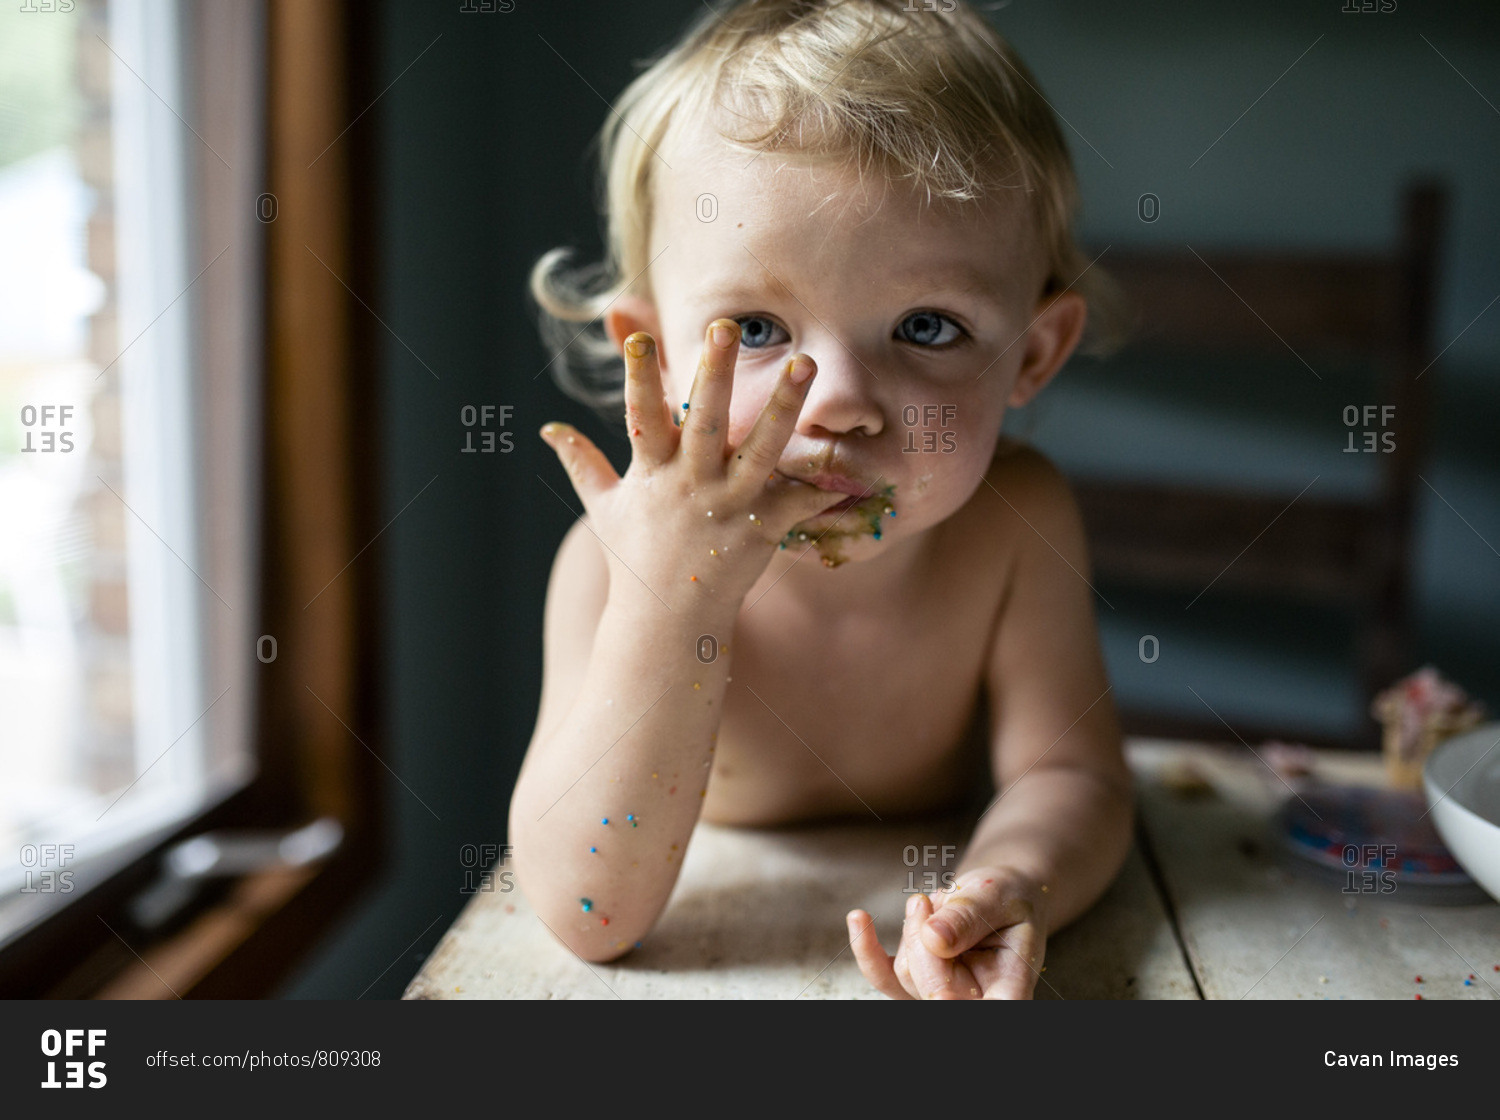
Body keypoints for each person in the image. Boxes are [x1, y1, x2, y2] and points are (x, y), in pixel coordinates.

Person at [511, 0, 1133, 999]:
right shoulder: (610, 560)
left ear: (1033, 352)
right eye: (755, 326)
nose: (839, 400)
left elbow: (1075, 781)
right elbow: (591, 915)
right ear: (655, 348)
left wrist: (1012, 881)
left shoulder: (1016, 524)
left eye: (928, 325)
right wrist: (677, 601)